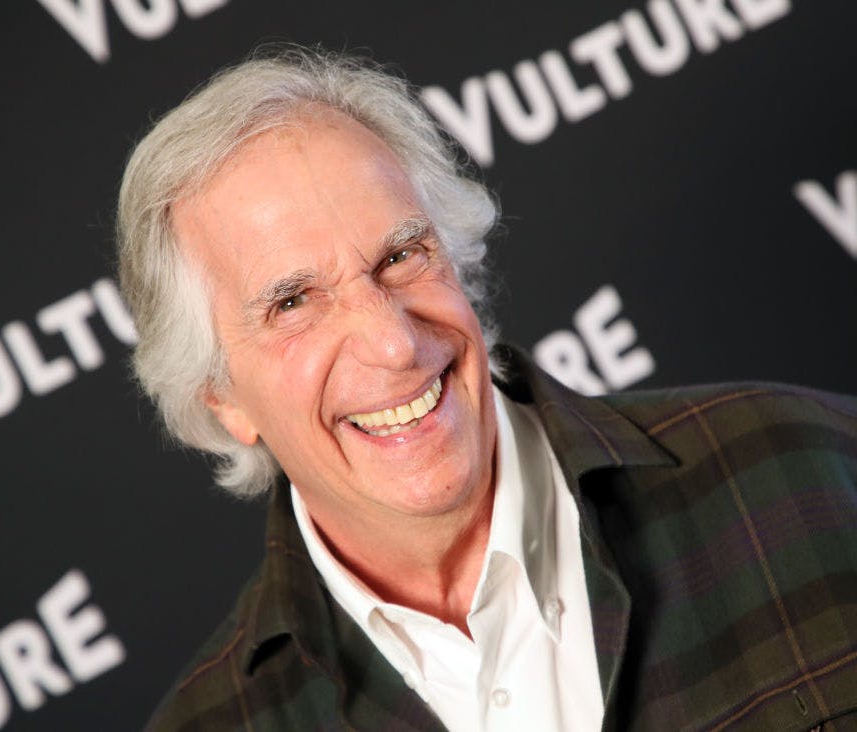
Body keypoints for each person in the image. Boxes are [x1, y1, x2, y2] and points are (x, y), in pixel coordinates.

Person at [116, 47, 857, 731]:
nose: (393, 343)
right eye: (293, 303)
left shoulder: (808, 471)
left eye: (402, 256)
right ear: (222, 398)